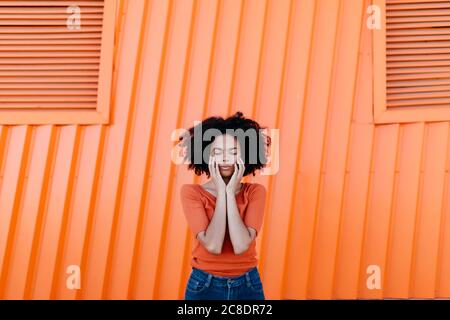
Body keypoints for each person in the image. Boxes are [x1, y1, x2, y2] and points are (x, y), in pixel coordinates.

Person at [179, 111, 270, 300]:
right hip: (204, 285)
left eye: (233, 152)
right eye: (217, 152)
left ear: (246, 154)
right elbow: (212, 245)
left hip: (248, 285)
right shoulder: (191, 193)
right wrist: (222, 191)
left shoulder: (255, 192)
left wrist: (229, 191)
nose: (225, 159)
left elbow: (241, 245)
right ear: (205, 155)